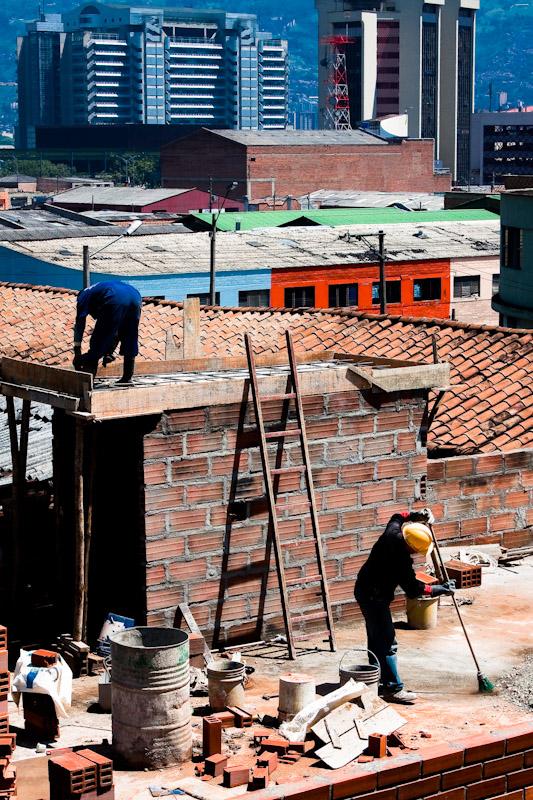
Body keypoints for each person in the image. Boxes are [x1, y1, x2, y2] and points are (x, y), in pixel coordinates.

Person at [354, 508, 455, 705]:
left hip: (364, 590)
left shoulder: (392, 532)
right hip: (375, 597)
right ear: (412, 547)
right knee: (387, 643)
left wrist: (418, 514)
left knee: (376, 639)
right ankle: (393, 688)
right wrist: (440, 589)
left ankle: (377, 681)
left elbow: (397, 516)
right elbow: (414, 589)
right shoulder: (400, 561)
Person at [73, 280, 142, 385]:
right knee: (130, 335)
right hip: (135, 296)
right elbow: (115, 329)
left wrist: (77, 351)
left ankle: (87, 379)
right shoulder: (97, 290)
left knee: (97, 342)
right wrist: (109, 351)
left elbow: (80, 323)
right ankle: (127, 378)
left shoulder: (82, 297)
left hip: (114, 297)